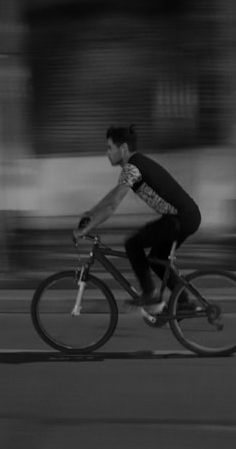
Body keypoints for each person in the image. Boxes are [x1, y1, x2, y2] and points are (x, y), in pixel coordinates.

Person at [73, 125, 201, 311]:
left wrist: (84, 230)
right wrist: (91, 212)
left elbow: (112, 205)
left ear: (123, 148)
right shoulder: (135, 164)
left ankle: (151, 295)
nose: (107, 153)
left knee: (133, 243)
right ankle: (184, 303)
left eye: (110, 148)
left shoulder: (132, 168)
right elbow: (114, 194)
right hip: (186, 217)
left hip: (180, 219)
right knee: (157, 259)